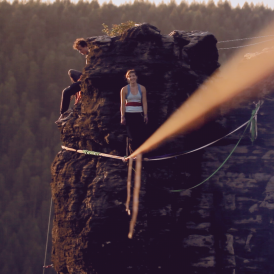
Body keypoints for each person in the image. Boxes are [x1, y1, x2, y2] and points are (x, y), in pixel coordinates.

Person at [55, 38, 89, 124]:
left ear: (86, 46)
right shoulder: (89, 55)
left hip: (88, 80)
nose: (80, 52)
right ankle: (76, 90)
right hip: (85, 77)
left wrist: (84, 77)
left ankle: (63, 114)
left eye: (80, 49)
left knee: (66, 92)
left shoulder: (92, 55)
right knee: (71, 72)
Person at [120, 69, 148, 153]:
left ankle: (140, 155)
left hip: (139, 114)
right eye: (130, 76)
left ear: (136, 77)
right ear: (127, 78)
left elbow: (144, 102)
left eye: (133, 76)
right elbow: (122, 104)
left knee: (140, 136)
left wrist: (146, 115)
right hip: (129, 115)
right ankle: (133, 156)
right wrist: (122, 116)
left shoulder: (142, 88)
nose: (132, 77)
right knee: (132, 137)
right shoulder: (124, 89)